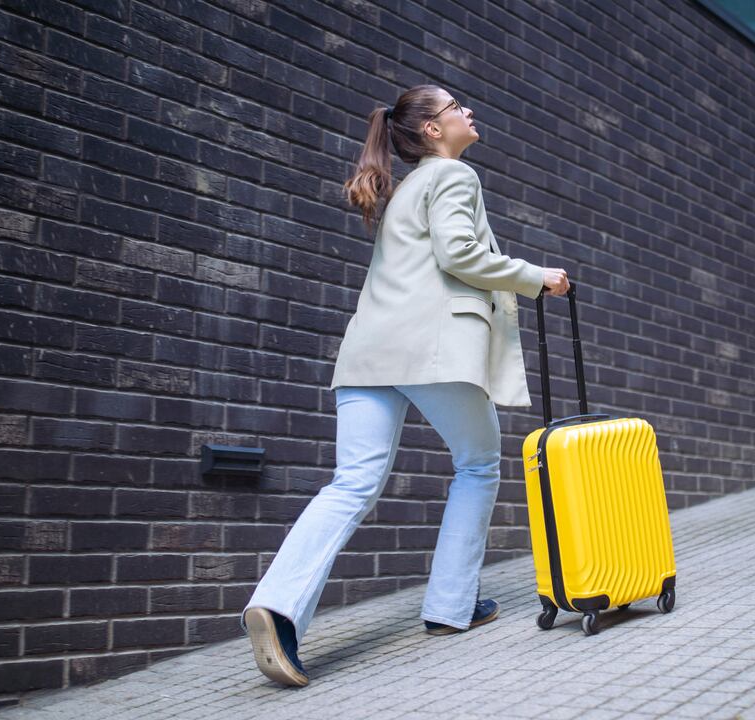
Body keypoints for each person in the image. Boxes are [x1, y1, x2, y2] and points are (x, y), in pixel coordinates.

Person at [240, 84, 571, 687]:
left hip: (367, 355)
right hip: (431, 351)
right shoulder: (452, 177)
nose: (469, 112)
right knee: (477, 464)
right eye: (456, 108)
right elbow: (460, 254)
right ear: (433, 132)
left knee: (353, 483)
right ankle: (450, 607)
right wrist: (535, 275)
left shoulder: (402, 191)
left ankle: (279, 607)